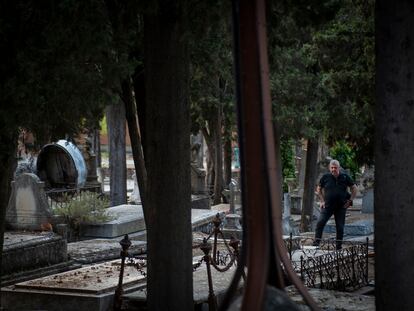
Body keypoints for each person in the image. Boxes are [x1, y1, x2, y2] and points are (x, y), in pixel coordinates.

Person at [313, 159, 358, 250]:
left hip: (341, 206)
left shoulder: (345, 177)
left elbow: (354, 188)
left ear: (339, 168)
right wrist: (322, 200)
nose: (334, 169)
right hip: (327, 206)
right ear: (330, 168)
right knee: (320, 223)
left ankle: (338, 247)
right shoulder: (325, 177)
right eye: (332, 168)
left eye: (335, 168)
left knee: (340, 227)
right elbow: (318, 188)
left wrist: (350, 200)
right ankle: (316, 244)